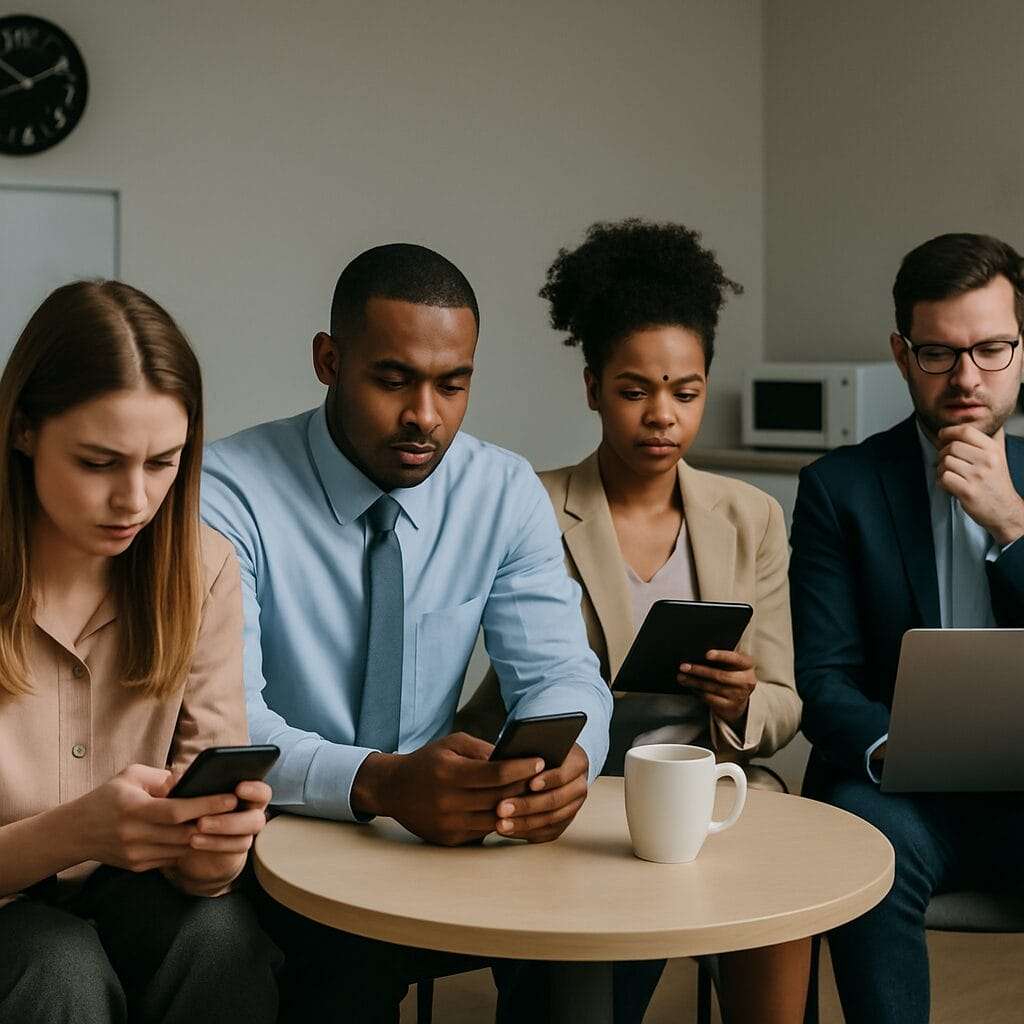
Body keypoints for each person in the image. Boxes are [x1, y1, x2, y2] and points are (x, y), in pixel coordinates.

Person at [200, 243, 614, 1022]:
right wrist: (381, 782)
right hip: (277, 833)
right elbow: (229, 728)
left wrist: (570, 759)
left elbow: (564, 671)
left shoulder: (502, 490)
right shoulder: (228, 493)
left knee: (595, 932)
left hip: (440, 833)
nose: (426, 415)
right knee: (344, 963)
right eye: (393, 380)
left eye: (452, 385)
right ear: (329, 359)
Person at [458, 218, 807, 1024]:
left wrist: (740, 699)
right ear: (591, 387)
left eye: (685, 394)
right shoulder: (531, 503)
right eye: (634, 390)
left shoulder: (750, 516)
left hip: (704, 786)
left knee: (782, 899)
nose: (663, 416)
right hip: (569, 788)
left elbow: (785, 703)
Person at [0, 281, 280, 1024]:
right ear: (23, 430)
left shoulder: (202, 568)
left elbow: (207, 860)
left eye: (163, 463)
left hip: (128, 889)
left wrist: (216, 852)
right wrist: (73, 832)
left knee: (221, 938)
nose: (134, 499)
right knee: (53, 962)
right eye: (98, 463)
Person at [790, 232, 1024, 1024]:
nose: (966, 377)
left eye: (991, 349)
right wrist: (901, 752)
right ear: (901, 353)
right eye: (938, 353)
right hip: (896, 793)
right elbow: (821, 680)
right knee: (866, 840)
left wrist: (1013, 529)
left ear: (1023, 348)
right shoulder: (838, 490)